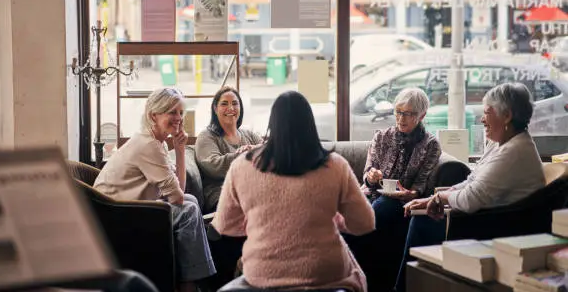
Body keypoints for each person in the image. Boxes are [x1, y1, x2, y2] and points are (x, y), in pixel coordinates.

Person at [211, 91, 375, 292]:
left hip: (263, 272)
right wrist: (332, 218)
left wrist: (259, 221)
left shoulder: (241, 166)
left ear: (272, 124)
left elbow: (225, 225)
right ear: (310, 124)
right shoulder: (335, 165)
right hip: (325, 273)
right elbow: (365, 223)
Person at [395, 82, 546, 292]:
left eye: (486, 113)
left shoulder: (515, 152)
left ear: (507, 116)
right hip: (487, 217)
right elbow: (472, 181)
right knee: (420, 215)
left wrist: (439, 199)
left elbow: (471, 198)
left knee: (422, 222)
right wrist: (437, 197)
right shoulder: (501, 143)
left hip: (496, 227)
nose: (482, 119)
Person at [93, 88, 216, 292]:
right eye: (171, 112)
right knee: (188, 210)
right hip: (116, 214)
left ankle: (191, 280)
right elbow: (176, 197)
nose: (178, 118)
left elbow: (180, 191)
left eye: (180, 112)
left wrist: (178, 149)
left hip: (127, 207)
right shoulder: (148, 145)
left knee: (191, 202)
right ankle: (190, 284)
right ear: (153, 115)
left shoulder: (154, 143)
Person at [348, 88, 441, 292]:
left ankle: (348, 250)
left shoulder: (430, 145)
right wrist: (371, 177)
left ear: (421, 116)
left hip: (400, 203)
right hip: (373, 196)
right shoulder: (381, 137)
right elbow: (367, 174)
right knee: (365, 205)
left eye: (408, 114)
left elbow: (421, 184)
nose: (401, 118)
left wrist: (413, 193)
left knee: (385, 205)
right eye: (398, 112)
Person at [195, 86, 263, 213]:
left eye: (235, 103)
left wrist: (256, 149)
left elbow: (269, 151)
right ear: (215, 109)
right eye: (224, 104)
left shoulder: (249, 135)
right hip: (221, 194)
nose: (231, 108)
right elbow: (213, 166)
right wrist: (245, 155)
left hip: (252, 187)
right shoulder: (206, 136)